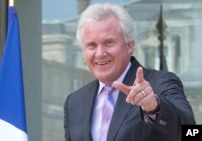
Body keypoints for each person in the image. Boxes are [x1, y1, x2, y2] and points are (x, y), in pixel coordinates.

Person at [63, 2, 196, 141]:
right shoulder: (74, 102)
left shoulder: (160, 83)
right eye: (91, 45)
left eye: (109, 42)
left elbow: (191, 132)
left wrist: (154, 107)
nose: (100, 53)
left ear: (129, 45)